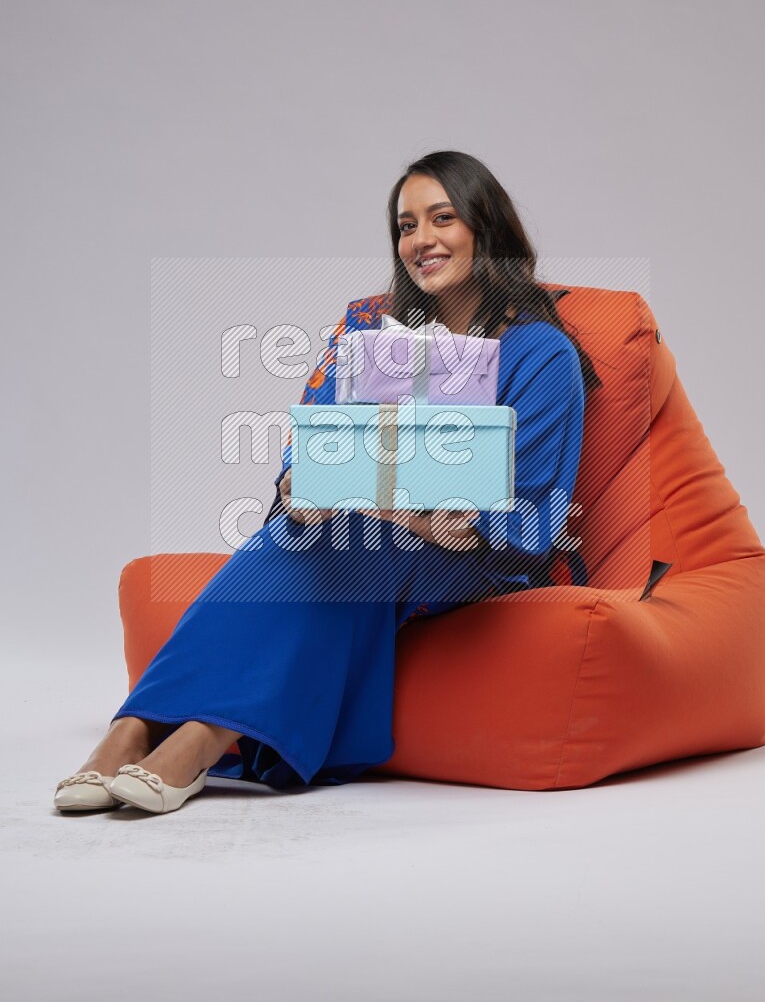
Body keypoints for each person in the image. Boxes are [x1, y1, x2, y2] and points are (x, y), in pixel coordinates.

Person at [53, 150, 600, 816]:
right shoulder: (376, 335)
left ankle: (197, 739)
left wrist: (408, 515)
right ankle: (129, 730)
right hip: (367, 535)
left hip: (478, 563)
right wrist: (300, 488)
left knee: (355, 540)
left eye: (442, 218)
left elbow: (531, 524)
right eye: (405, 225)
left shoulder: (542, 353)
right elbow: (311, 449)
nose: (420, 239)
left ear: (486, 229)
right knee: (301, 531)